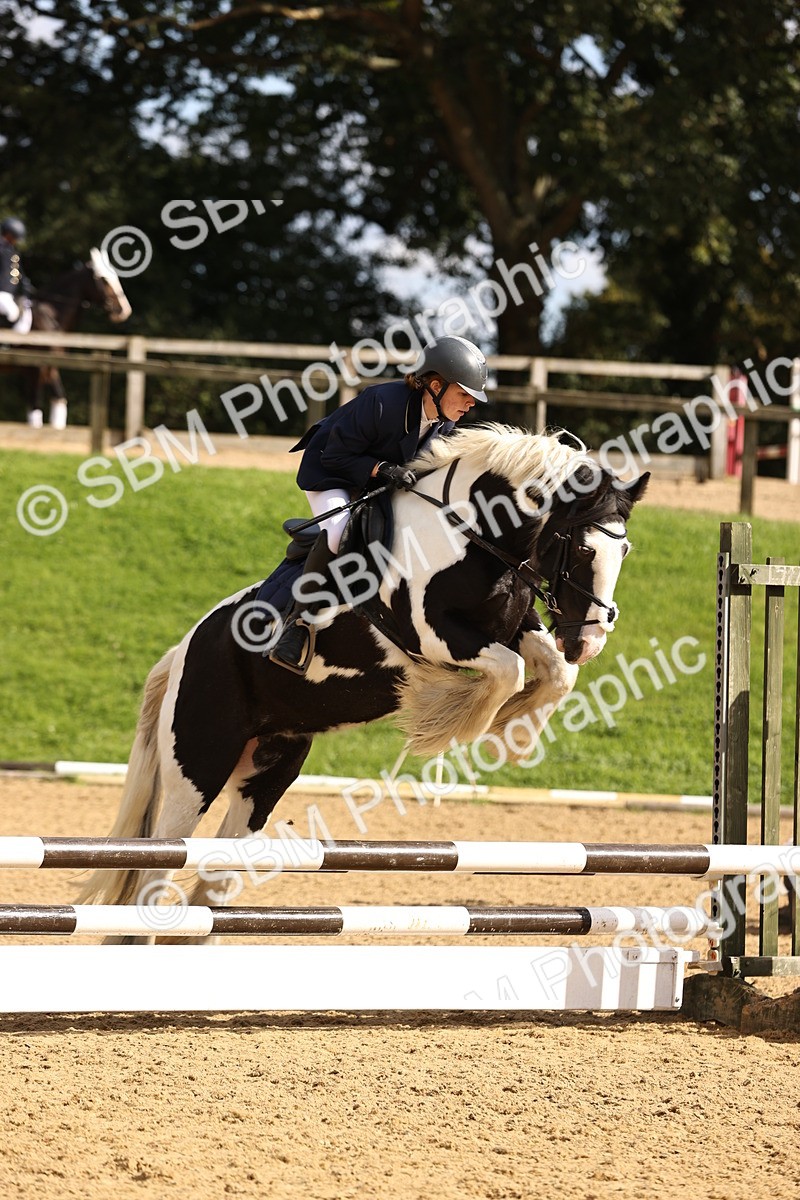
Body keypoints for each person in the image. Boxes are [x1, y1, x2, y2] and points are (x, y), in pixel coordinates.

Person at [269, 334, 489, 673]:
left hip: (377, 480)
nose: (470, 404)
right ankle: (297, 625)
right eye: (464, 394)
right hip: (330, 472)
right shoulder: (381, 402)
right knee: (339, 534)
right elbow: (336, 455)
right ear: (434, 385)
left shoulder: (446, 423)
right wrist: (381, 468)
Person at [0, 217, 32, 333]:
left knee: (26, 314)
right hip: (1, 293)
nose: (16, 241)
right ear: (8, 234)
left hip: (10, 295)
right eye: (15, 237)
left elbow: (18, 272)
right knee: (12, 312)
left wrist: (26, 288)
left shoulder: (11, 251)